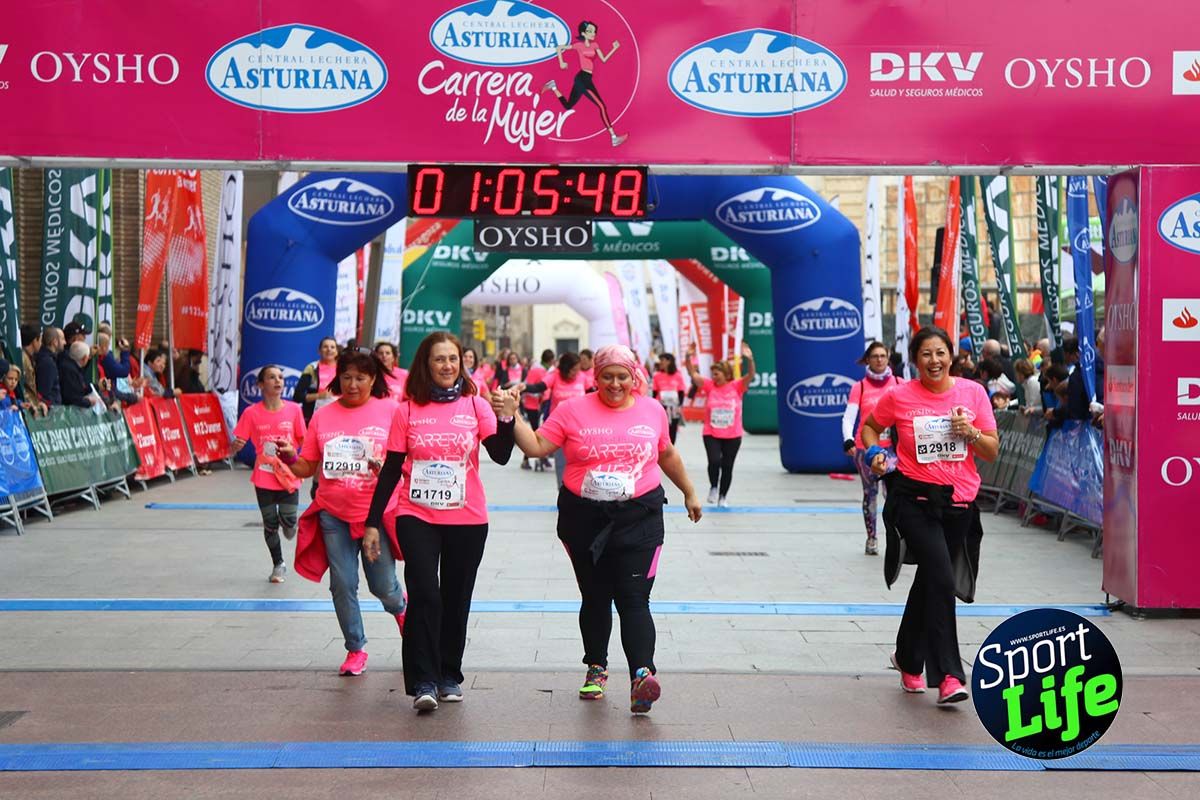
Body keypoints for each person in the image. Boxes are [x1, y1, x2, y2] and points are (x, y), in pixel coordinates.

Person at [511, 344, 702, 714]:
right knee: (596, 596)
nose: (615, 384)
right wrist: (513, 415)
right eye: (607, 376)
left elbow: (667, 454)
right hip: (584, 519)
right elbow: (536, 446)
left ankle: (641, 676)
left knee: (634, 598)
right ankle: (596, 667)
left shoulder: (652, 410)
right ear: (594, 377)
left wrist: (690, 492)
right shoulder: (571, 410)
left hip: (640, 517)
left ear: (634, 377)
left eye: (623, 376)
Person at [364, 332, 517, 712]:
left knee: (455, 597)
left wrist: (507, 416)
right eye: (439, 359)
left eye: (453, 359)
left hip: (467, 518)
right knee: (425, 594)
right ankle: (424, 680)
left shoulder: (475, 405)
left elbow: (499, 455)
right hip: (416, 514)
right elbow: (391, 469)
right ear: (426, 365)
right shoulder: (408, 410)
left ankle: (450, 674)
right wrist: (371, 522)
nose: (448, 366)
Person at [861, 326, 999, 705]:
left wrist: (970, 432)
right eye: (926, 354)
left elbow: (991, 451)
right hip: (913, 501)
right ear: (915, 359)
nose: (934, 361)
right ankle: (950, 675)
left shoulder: (972, 393)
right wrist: (875, 453)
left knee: (929, 583)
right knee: (941, 577)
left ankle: (907, 659)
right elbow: (871, 427)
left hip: (958, 505)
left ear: (950, 356)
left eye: (940, 353)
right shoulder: (900, 396)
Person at [279, 350, 407, 677]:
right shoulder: (323, 416)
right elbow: (308, 465)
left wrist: (386, 467)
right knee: (342, 583)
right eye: (346, 377)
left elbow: (405, 463)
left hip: (374, 516)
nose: (352, 385)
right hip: (332, 511)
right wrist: (291, 456)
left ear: (373, 379)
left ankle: (401, 608)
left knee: (383, 586)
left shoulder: (392, 411)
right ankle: (355, 647)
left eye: (360, 378)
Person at [231, 366, 307, 584]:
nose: (278, 381)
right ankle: (278, 564)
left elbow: (303, 440)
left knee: (289, 522)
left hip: (288, 475)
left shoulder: (294, 410)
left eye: (281, 377)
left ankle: (290, 524)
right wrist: (234, 446)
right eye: (272, 377)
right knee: (270, 524)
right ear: (261, 385)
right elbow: (237, 442)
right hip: (263, 477)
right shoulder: (251, 413)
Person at [841, 341, 903, 556]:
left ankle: (896, 537)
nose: (879, 360)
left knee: (894, 494)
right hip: (865, 448)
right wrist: (848, 439)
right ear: (868, 359)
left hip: (893, 449)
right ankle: (872, 537)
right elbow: (849, 417)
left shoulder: (898, 383)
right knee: (871, 493)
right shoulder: (860, 386)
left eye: (882, 356)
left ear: (888, 358)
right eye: (874, 356)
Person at [685, 342, 755, 508]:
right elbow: (692, 374)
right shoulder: (709, 386)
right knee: (714, 460)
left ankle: (723, 496)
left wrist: (750, 359)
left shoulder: (737, 386)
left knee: (728, 465)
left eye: (716, 374)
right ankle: (714, 487)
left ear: (725, 374)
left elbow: (751, 374)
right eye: (712, 374)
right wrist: (688, 357)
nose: (714, 377)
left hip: (733, 434)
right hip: (711, 432)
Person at [541, 21, 628, 147]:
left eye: (594, 31)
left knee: (568, 106)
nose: (593, 33)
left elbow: (603, 59)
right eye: (590, 31)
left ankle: (553, 86)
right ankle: (614, 137)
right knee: (602, 106)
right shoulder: (579, 46)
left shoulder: (595, 45)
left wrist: (614, 49)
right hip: (582, 79)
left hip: (586, 78)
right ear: (583, 33)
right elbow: (559, 48)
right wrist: (561, 62)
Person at [520, 352, 589, 486]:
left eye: (578, 369)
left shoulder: (582, 377)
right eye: (573, 369)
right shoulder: (555, 376)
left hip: (580, 428)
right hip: (559, 428)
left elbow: (593, 392)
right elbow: (539, 387)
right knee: (561, 464)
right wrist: (524, 387)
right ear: (566, 367)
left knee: (580, 461)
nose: (576, 372)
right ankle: (563, 491)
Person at [519, 349, 554, 471]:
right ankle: (527, 459)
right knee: (535, 434)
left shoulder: (539, 370)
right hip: (533, 405)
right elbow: (532, 387)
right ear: (550, 360)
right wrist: (540, 396)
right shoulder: (539, 371)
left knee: (538, 432)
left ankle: (541, 457)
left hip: (535, 404)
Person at [295, 337, 340, 422]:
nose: (329, 349)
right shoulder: (311, 368)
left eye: (332, 347)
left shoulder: (343, 369)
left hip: (338, 416)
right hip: (314, 418)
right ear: (319, 351)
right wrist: (319, 396)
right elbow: (298, 397)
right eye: (325, 347)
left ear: (336, 351)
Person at [652, 353, 688, 444]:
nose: (660, 362)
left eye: (662, 360)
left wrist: (679, 406)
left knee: (672, 430)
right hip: (661, 407)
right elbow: (654, 392)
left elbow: (681, 392)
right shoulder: (657, 376)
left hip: (674, 407)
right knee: (661, 428)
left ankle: (671, 450)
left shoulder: (678, 375)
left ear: (669, 361)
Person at [60, 342, 103, 410]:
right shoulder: (71, 371)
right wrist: (87, 402)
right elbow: (72, 396)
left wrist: (97, 387)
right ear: (85, 358)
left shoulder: (73, 367)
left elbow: (82, 388)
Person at [35, 327, 64, 406]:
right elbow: (44, 391)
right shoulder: (48, 363)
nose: (65, 342)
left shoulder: (51, 360)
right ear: (55, 342)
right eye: (62, 339)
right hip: (51, 411)